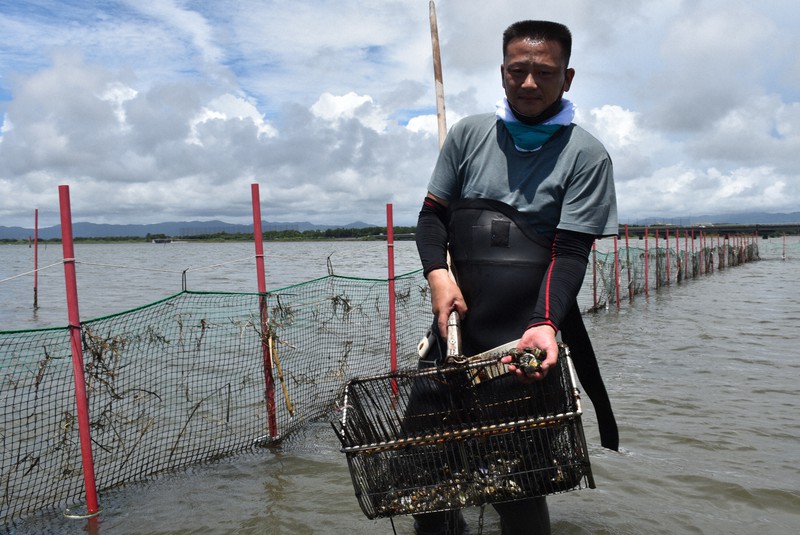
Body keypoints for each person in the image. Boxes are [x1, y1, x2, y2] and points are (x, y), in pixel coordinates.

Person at [413, 20, 619, 534]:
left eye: (544, 73)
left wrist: (545, 323)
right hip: (453, 336)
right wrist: (438, 276)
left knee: (518, 492)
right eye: (517, 70)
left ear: (567, 77)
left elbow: (570, 254)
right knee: (422, 482)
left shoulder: (586, 155)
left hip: (525, 346)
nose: (529, 83)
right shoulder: (467, 135)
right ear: (502, 71)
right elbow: (432, 217)